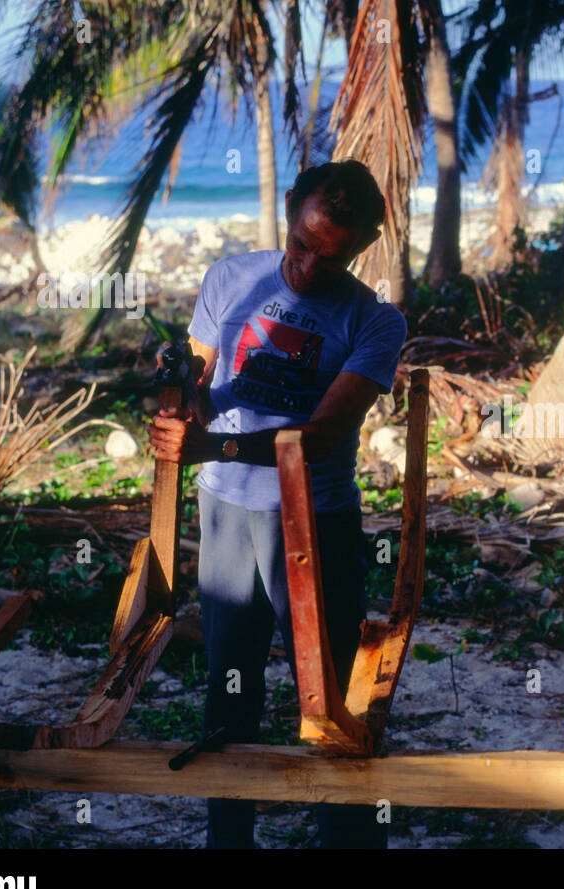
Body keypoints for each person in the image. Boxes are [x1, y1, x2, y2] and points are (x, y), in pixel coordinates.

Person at [148, 160, 408, 848]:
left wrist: (211, 449)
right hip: (227, 514)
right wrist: (182, 404)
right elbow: (202, 384)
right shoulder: (229, 279)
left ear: (363, 247)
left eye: (330, 256)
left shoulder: (375, 322)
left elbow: (320, 438)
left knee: (330, 701)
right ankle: (229, 840)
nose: (306, 266)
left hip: (315, 522)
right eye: (299, 243)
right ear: (290, 208)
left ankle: (349, 841)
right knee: (230, 694)